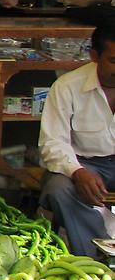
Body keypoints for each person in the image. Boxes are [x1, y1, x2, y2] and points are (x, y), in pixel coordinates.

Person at [38, 20, 115, 258]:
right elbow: (52, 143)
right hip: (83, 163)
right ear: (94, 56)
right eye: (114, 61)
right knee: (58, 188)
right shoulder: (67, 87)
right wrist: (77, 172)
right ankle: (94, 262)